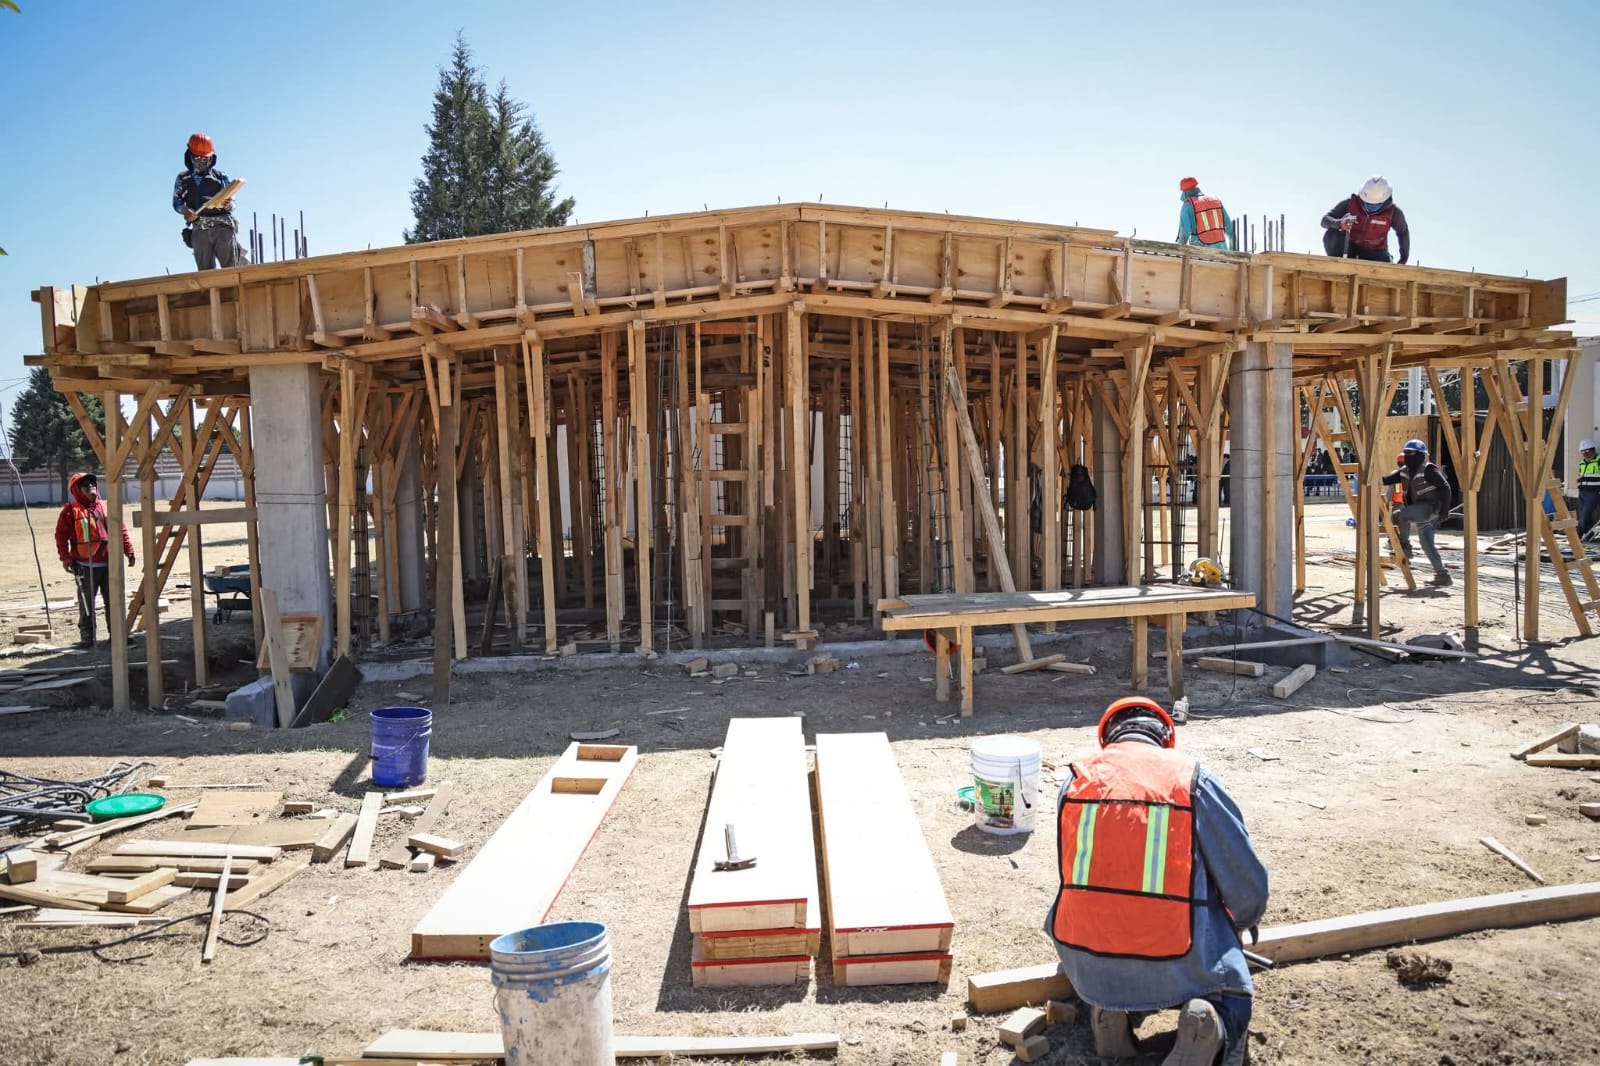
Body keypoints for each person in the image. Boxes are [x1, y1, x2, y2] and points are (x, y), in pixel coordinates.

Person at [1047, 697, 1268, 1066]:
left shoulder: (1075, 780)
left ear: (1108, 737)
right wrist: (1239, 924)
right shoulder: (1191, 780)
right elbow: (1247, 886)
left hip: (1086, 960)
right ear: (1166, 738)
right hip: (1174, 953)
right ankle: (1208, 1022)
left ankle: (1109, 1009)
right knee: (1233, 995)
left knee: (1115, 932)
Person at [55, 472, 135, 648]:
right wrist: (65, 558)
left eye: (92, 483)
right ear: (76, 490)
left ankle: (117, 636)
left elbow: (121, 529)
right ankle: (88, 638)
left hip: (110, 564)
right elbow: (61, 536)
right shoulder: (70, 511)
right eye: (85, 484)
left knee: (114, 602)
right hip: (85, 565)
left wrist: (128, 550)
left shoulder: (106, 507)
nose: (90, 486)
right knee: (86, 604)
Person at [1381, 439, 1452, 586]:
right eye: (1405, 452)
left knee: (1399, 515)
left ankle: (1405, 548)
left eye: (1410, 453)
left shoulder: (1428, 469)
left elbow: (1445, 488)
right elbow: (1387, 480)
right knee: (1426, 544)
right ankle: (1443, 575)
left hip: (1430, 508)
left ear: (1420, 455)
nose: (1407, 456)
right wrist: (1369, 475)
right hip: (1419, 510)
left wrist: (1444, 510)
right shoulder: (1405, 471)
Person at [173, 132, 240, 271]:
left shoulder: (220, 177)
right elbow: (177, 202)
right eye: (197, 158)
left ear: (211, 157)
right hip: (199, 229)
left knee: (231, 269)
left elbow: (233, 203)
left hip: (222, 227)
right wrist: (185, 211)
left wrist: (228, 204)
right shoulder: (183, 179)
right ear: (190, 156)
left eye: (205, 158)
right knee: (205, 273)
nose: (201, 162)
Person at [1321, 175, 1409, 263]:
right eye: (1368, 203)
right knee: (1331, 235)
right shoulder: (1350, 203)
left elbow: (1403, 233)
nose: (1370, 207)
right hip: (1350, 248)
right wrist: (1339, 223)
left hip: (1376, 253)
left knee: (1384, 264)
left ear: (1385, 200)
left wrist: (1403, 259)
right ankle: (1339, 265)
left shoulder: (1394, 213)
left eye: (1375, 204)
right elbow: (1325, 220)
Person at [1175, 178, 1234, 251]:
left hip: (1200, 252)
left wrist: (1179, 250)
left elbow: (1185, 231)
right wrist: (1232, 251)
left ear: (1184, 192)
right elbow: (1229, 228)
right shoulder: (1216, 201)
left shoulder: (1187, 205)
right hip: (1221, 251)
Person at [1576, 439, 1600, 539]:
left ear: (1593, 450)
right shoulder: (1582, 463)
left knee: (1584, 515)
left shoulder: (1598, 460)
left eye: (1587, 451)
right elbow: (1580, 476)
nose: (1584, 453)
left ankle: (1578, 536)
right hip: (1582, 493)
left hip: (1594, 493)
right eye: (1582, 451)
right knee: (1583, 515)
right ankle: (1589, 536)